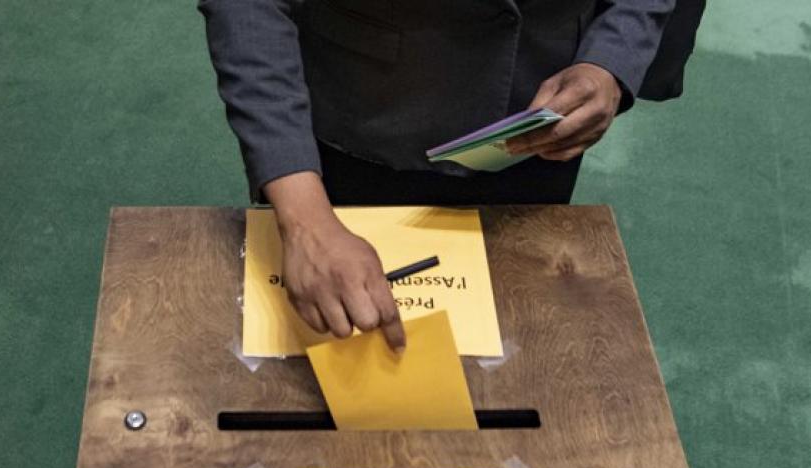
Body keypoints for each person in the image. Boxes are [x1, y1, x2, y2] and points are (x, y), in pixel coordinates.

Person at [199, 0, 680, 352]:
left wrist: (611, 59)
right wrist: (305, 219)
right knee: (340, 358)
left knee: (520, 359)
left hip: (538, 110)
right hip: (366, 110)